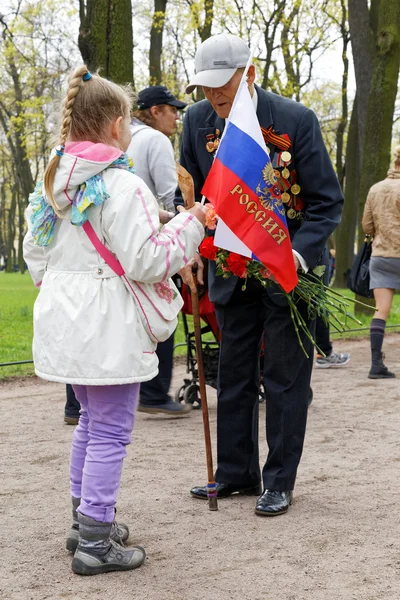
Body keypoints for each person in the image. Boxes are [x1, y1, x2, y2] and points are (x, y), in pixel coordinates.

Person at [23, 65, 205, 575]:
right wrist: (191, 225)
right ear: (116, 125)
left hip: (66, 319)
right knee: (109, 431)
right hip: (104, 324)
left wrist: (62, 290)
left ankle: (86, 523)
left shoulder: (53, 181)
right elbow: (148, 259)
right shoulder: (123, 185)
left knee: (89, 421)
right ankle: (95, 543)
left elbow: (34, 250)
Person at [177, 33, 343, 516]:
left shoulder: (294, 120)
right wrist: (191, 246)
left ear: (248, 73)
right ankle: (235, 473)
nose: (212, 96)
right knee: (234, 376)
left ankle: (279, 481)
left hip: (289, 272)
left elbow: (326, 203)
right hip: (230, 269)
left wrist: (297, 254)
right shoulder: (195, 122)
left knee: (285, 376)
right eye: (204, 87)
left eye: (220, 84)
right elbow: (188, 194)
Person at [127, 85, 191, 416]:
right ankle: (153, 393)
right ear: (155, 112)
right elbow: (169, 195)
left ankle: (75, 404)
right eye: (172, 110)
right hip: (153, 236)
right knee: (163, 310)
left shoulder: (123, 139)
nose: (177, 116)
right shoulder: (156, 140)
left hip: (118, 242)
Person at [362, 146, 400, 379]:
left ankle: (376, 364)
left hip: (381, 256)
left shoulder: (375, 189)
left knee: (381, 310)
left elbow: (367, 226)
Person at [315, 249, 351, 369]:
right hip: (311, 253)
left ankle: (324, 352)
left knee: (317, 302)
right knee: (318, 303)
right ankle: (324, 352)